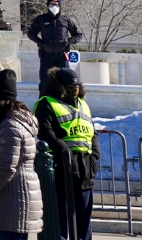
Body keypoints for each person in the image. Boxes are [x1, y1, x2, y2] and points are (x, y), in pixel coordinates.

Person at [34, 67, 98, 240]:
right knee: (60, 216)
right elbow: (45, 131)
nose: (75, 90)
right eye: (70, 87)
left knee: (84, 219)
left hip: (84, 167)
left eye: (77, 87)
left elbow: (93, 133)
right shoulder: (46, 102)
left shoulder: (83, 104)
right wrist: (65, 152)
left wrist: (94, 158)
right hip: (61, 167)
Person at [0, 69, 43, 240]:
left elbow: (7, 165)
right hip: (15, 196)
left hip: (13, 198)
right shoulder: (13, 120)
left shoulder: (9, 124)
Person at [27, 0, 84, 82]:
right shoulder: (41, 19)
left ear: (59, 6)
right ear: (48, 5)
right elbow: (31, 33)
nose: (54, 7)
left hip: (62, 57)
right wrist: (39, 42)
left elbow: (78, 35)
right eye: (51, 4)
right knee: (45, 82)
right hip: (47, 56)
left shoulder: (66, 20)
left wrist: (69, 41)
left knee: (64, 82)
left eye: (56, 4)